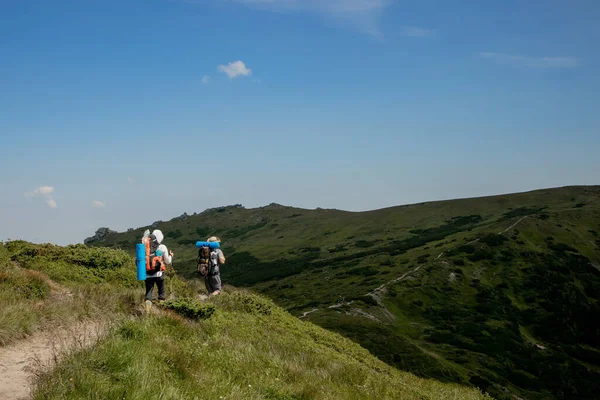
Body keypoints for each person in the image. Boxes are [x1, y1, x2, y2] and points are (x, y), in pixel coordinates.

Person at [141, 229, 174, 312]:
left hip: (147, 273)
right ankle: (161, 311)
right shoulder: (162, 247)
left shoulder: (145, 246)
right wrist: (171, 256)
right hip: (159, 274)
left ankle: (147, 312)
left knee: (148, 293)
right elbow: (167, 261)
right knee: (161, 292)